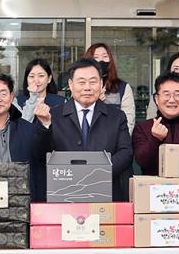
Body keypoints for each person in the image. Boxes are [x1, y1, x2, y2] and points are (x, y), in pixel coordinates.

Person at [33, 58, 133, 201]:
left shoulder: (116, 116)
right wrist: (45, 125)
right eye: (81, 82)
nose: (87, 87)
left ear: (101, 84)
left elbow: (126, 152)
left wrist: (100, 173)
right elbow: (40, 155)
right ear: (70, 84)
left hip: (106, 193)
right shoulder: (53, 115)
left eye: (93, 82)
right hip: (64, 194)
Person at [84, 43, 136, 133]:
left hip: (115, 138)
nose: (101, 60)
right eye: (96, 57)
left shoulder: (122, 87)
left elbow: (129, 122)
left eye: (105, 56)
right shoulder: (81, 88)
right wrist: (94, 103)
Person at [15, 58, 65, 122]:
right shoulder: (18, 101)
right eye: (32, 76)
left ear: (49, 79)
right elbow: (20, 124)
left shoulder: (61, 102)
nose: (36, 81)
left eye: (41, 76)